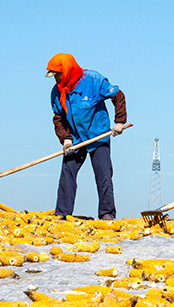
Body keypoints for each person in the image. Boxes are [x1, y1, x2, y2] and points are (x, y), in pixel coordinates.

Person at [46, 53, 127, 220]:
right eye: (54, 75)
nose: (56, 79)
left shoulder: (93, 80)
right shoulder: (57, 92)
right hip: (75, 139)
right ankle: (62, 213)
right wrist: (66, 139)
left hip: (98, 135)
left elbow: (118, 96)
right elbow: (59, 117)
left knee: (103, 175)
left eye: (58, 74)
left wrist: (119, 121)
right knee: (67, 174)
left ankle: (107, 214)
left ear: (67, 71)